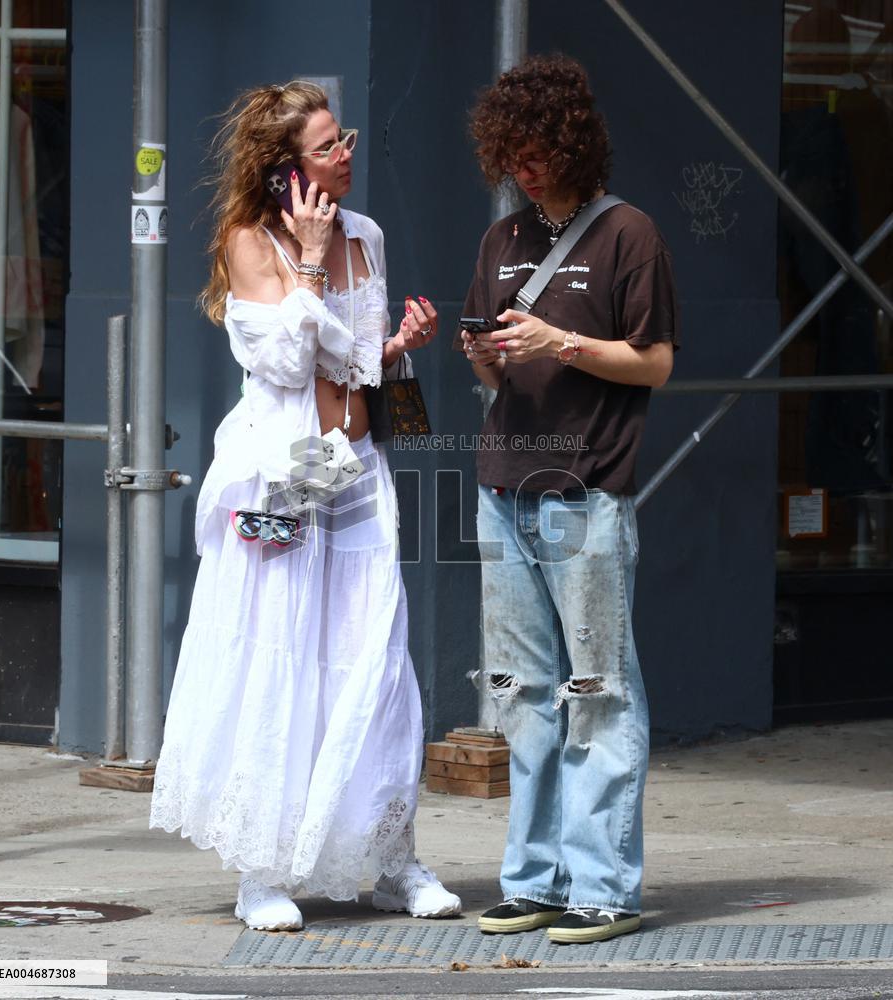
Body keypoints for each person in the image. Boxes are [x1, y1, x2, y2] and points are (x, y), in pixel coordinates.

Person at [149, 81, 460, 931]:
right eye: (327, 147)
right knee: (278, 657)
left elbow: (357, 362)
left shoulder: (370, 235)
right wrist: (312, 261)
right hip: (280, 478)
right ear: (285, 171)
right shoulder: (250, 242)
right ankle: (262, 868)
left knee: (375, 656)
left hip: (354, 473)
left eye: (345, 138)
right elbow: (286, 364)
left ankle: (390, 858)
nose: (346, 155)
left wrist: (397, 348)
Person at [459, 55, 679, 944]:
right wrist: (484, 358)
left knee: (596, 694)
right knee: (522, 695)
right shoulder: (502, 240)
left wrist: (564, 339)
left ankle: (603, 888)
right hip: (503, 488)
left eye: (539, 146)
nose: (524, 164)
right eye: (511, 150)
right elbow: (491, 361)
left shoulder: (629, 235)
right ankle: (535, 880)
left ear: (575, 140)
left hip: (586, 493)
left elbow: (656, 362)